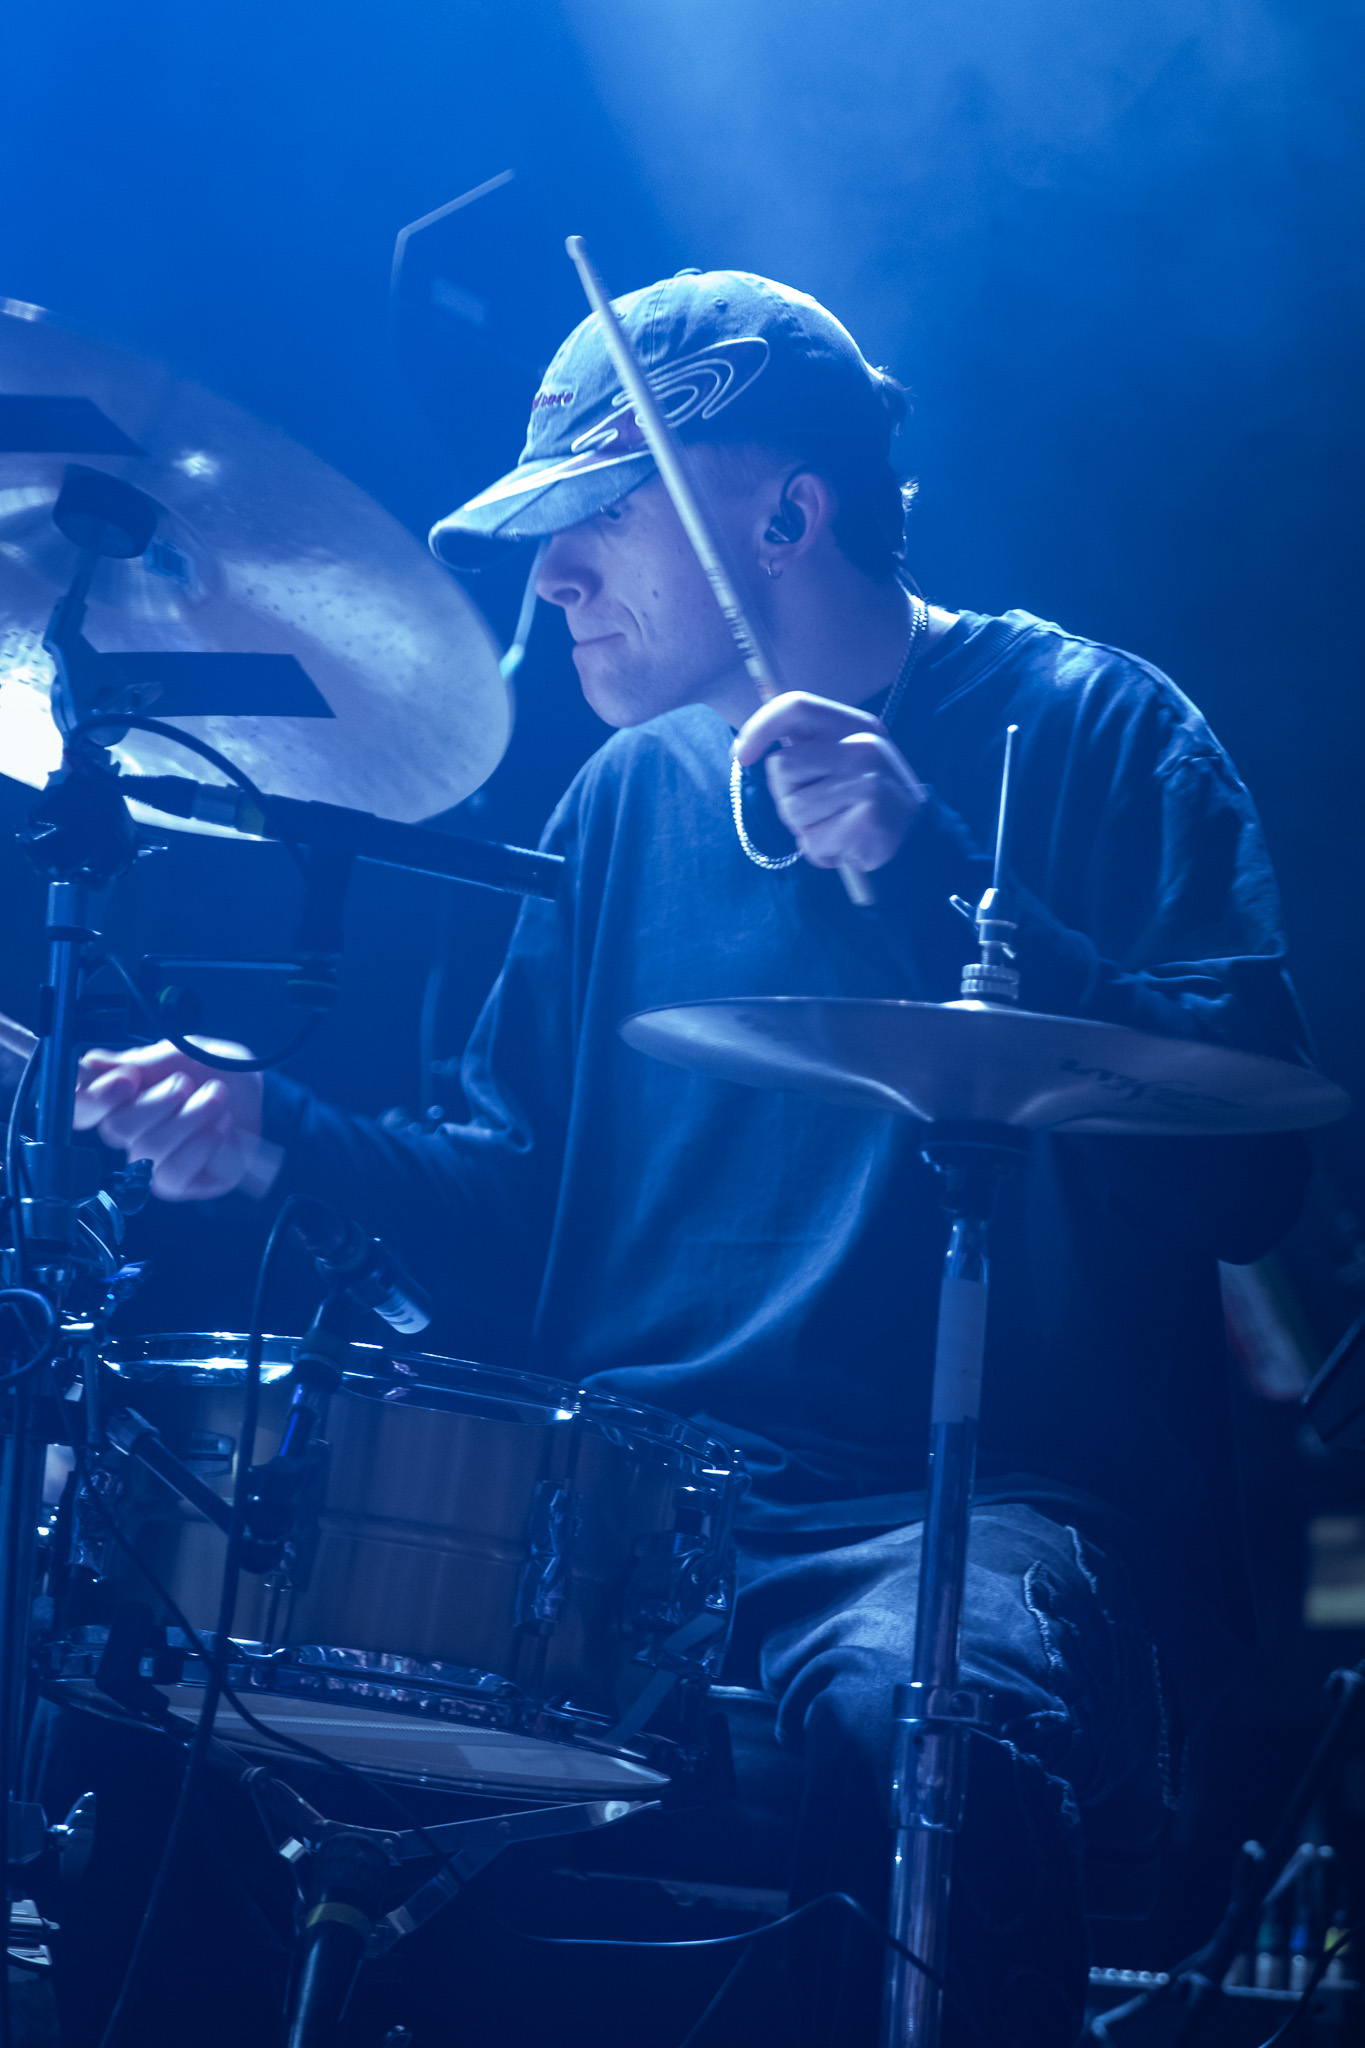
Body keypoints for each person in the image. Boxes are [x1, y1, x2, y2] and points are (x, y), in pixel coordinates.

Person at [74, 271, 1313, 2046]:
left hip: (984, 1521)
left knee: (919, 1706)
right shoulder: (623, 798)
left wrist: (930, 866)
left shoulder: (1092, 729)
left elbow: (1244, 1182)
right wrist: (278, 1131)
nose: (549, 578)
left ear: (786, 517)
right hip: (626, 1523)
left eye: (593, 520)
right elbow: (512, 1224)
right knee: (194, 1695)